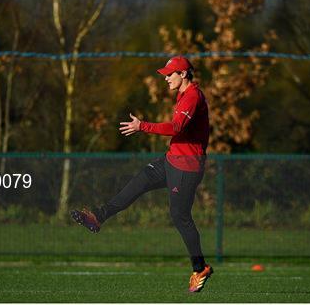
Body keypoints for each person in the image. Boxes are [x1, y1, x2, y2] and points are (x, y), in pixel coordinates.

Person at [70, 55, 213, 293]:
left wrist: (142, 126)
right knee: (139, 181)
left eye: (170, 74)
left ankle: (200, 268)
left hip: (186, 167)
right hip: (171, 160)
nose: (166, 78)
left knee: (180, 217)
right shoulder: (182, 95)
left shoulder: (193, 97)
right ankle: (99, 216)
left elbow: (176, 127)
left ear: (184, 74)